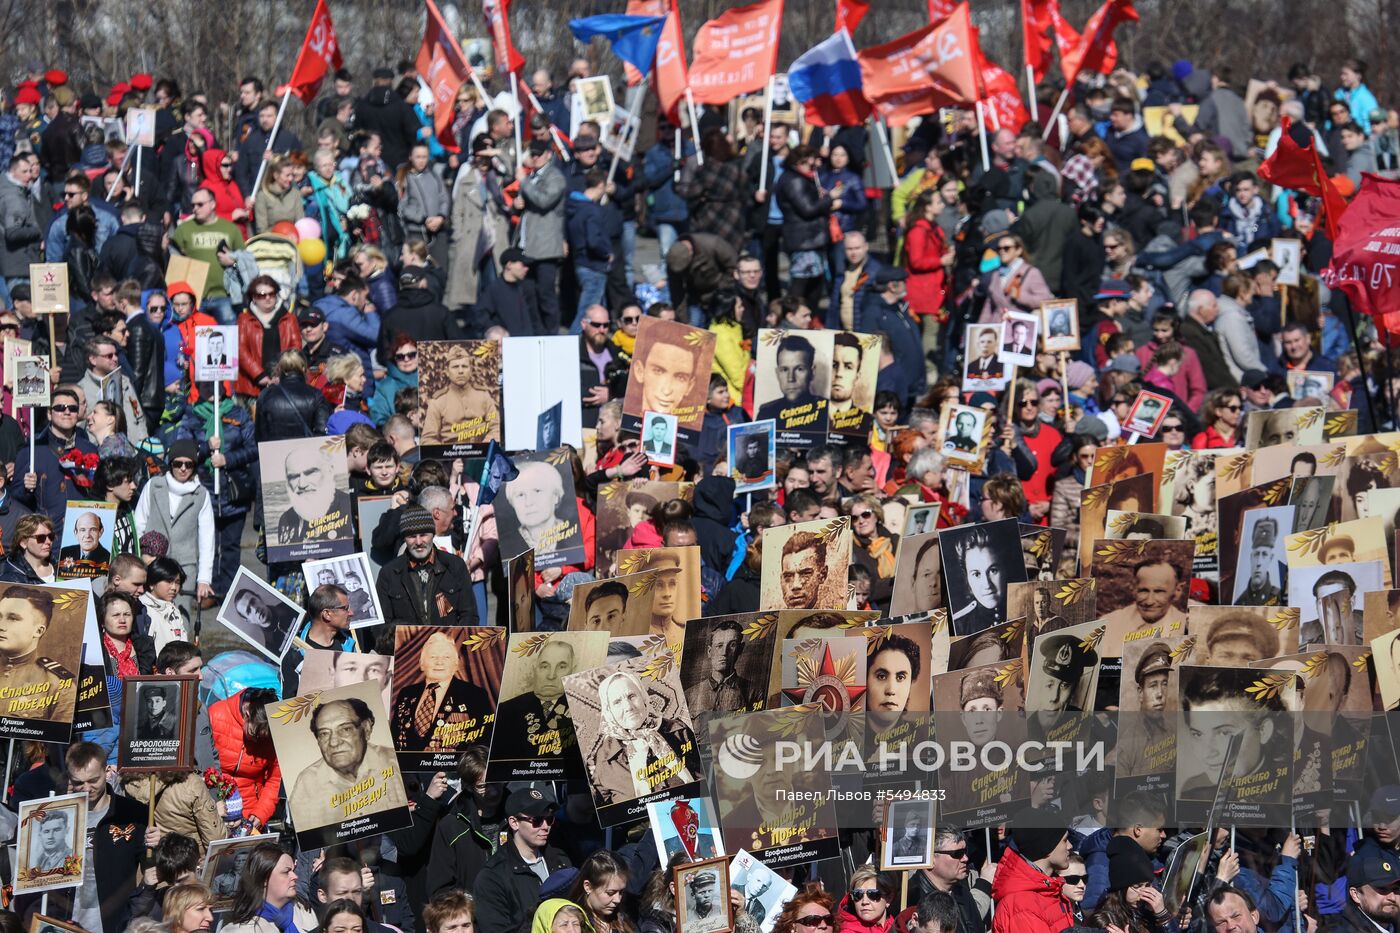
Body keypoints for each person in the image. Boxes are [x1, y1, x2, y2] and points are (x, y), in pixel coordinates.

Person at [286, 696, 409, 829]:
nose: (334, 742)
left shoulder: (396, 764)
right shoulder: (307, 783)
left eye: (345, 729)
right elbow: (308, 838)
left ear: (366, 729)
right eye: (324, 734)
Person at [585, 668, 698, 804]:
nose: (628, 707)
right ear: (609, 711)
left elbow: (706, 780)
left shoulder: (679, 732)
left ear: (644, 697)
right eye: (617, 702)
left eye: (632, 696)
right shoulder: (605, 759)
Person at [474, 787, 572, 933]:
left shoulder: (561, 860)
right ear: (514, 823)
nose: (546, 827)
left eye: (549, 819)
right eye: (537, 820)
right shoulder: (493, 876)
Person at [392, 630, 492, 752]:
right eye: (433, 657)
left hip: (454, 769)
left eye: (446, 657)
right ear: (421, 664)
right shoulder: (406, 694)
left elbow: (484, 741)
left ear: (456, 665)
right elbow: (394, 738)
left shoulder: (475, 695)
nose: (439, 662)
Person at [0, 583, 75, 722]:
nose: (1, 625)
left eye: (13, 618)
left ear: (38, 631)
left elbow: (56, 738)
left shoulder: (58, 684)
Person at [218, 843, 318, 933]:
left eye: (293, 870)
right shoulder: (240, 930)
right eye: (286, 872)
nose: (295, 876)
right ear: (264, 879)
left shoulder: (304, 909)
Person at [277, 445, 353, 546]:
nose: (302, 484)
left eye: (310, 473)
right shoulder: (286, 519)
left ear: (329, 472)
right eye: (294, 477)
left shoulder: (348, 507)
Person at [757, 334, 829, 433]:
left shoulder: (827, 411)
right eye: (784, 369)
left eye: (799, 369)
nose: (791, 378)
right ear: (777, 374)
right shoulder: (766, 414)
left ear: (812, 372)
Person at [689, 620, 761, 711]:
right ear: (709, 652)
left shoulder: (755, 693)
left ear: (740, 649)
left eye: (732, 645)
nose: (724, 652)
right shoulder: (689, 695)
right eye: (719, 646)